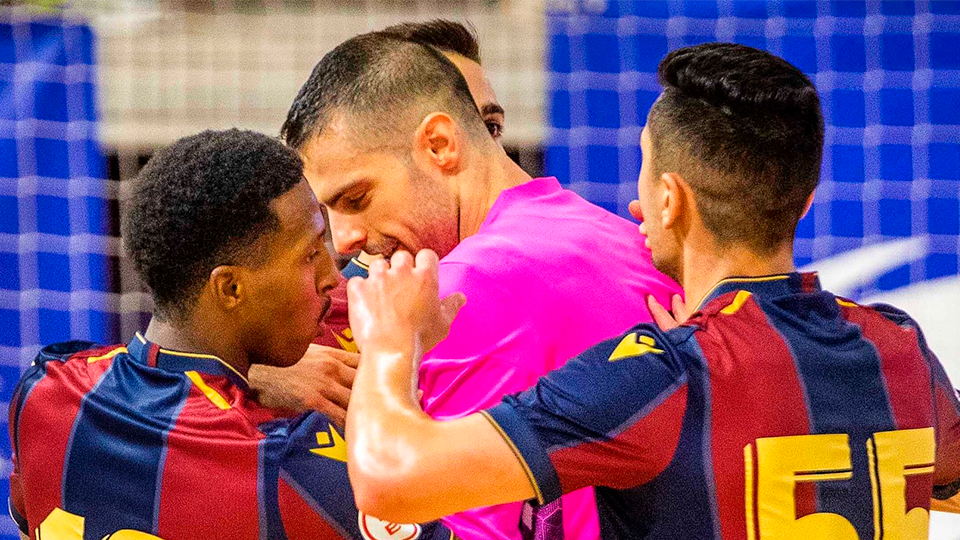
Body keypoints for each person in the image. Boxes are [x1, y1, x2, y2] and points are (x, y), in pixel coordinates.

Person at [341, 43, 960, 539]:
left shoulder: (661, 377)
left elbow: (391, 481)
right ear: (804, 201)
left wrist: (393, 346)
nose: (634, 204)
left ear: (670, 198)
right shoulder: (897, 344)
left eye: (643, 175)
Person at [279, 30, 681, 540]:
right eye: (329, 212)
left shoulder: (458, 292)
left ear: (440, 145)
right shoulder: (631, 241)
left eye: (356, 198)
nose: (345, 239)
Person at [7, 129, 452, 540]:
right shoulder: (286, 468)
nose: (331, 278)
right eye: (311, 254)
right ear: (231, 288)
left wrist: (255, 376)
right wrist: (401, 357)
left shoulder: (44, 389)